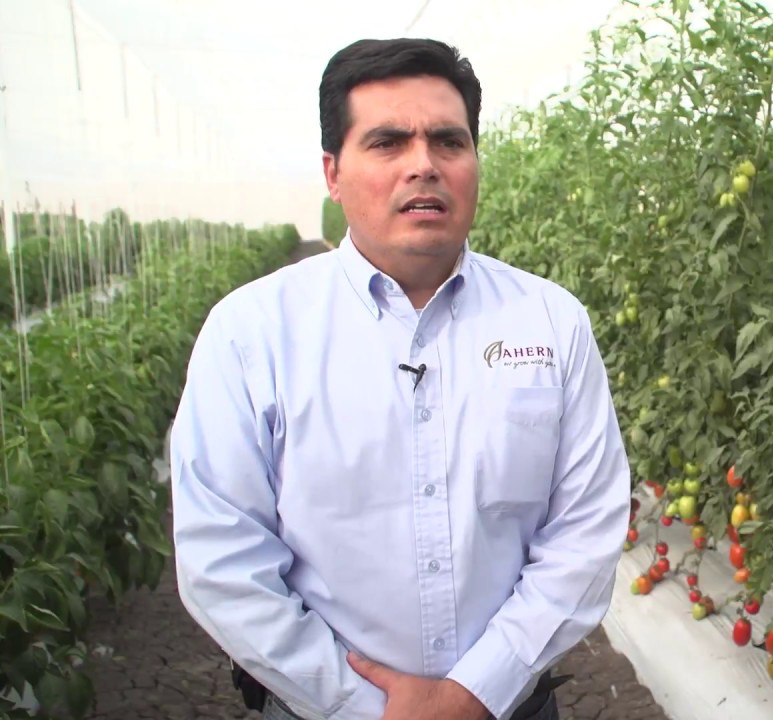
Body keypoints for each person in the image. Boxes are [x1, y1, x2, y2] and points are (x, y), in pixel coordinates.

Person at [168, 37, 632, 720]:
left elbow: (586, 527)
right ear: (333, 171)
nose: (424, 165)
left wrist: (479, 688)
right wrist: (362, 706)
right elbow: (222, 556)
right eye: (387, 142)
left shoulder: (551, 323)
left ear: (475, 160)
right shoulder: (252, 334)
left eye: (449, 141)